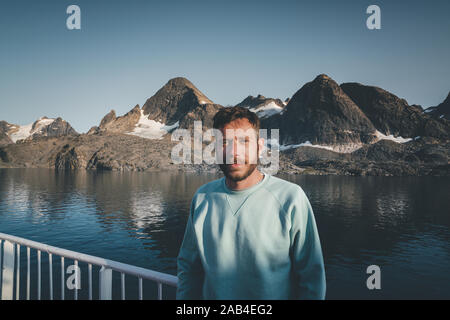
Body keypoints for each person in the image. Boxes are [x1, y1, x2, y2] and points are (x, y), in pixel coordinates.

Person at [176, 106, 326, 299]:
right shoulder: (202, 198)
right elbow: (189, 268)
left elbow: (311, 276)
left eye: (245, 141)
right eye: (225, 142)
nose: (234, 152)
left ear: (259, 146)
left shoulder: (291, 198)